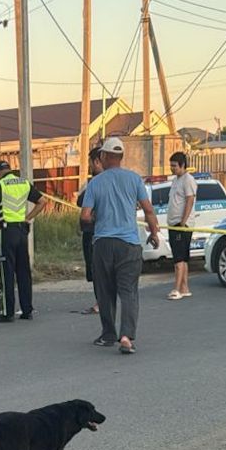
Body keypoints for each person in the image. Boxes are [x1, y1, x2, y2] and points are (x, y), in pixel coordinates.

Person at [81, 137, 159, 355]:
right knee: (129, 291)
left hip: (103, 244)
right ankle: (126, 336)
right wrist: (154, 233)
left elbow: (85, 216)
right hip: (129, 244)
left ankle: (108, 335)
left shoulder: (95, 183)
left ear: (104, 156)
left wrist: (98, 219)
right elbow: (149, 210)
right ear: (121, 157)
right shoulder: (134, 179)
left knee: (105, 292)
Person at [0, 160, 47, 323]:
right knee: (23, 272)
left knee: (7, 272)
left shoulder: (0, 184)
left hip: (7, 232)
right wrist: (28, 217)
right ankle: (27, 310)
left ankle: (8, 312)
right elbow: (42, 201)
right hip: (22, 231)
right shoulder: (24, 182)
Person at [76, 147, 104, 315]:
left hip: (94, 231)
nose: (90, 167)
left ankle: (101, 303)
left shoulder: (97, 182)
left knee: (96, 269)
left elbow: (81, 201)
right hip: (98, 231)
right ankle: (102, 301)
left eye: (90, 163)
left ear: (97, 162)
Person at [165, 151, 197, 301]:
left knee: (179, 259)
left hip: (181, 225)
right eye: (171, 165)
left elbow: (190, 200)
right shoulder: (175, 180)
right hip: (173, 224)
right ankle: (184, 288)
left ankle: (176, 289)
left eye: (174, 166)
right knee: (181, 258)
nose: (172, 168)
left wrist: (183, 222)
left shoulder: (188, 180)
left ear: (182, 165)